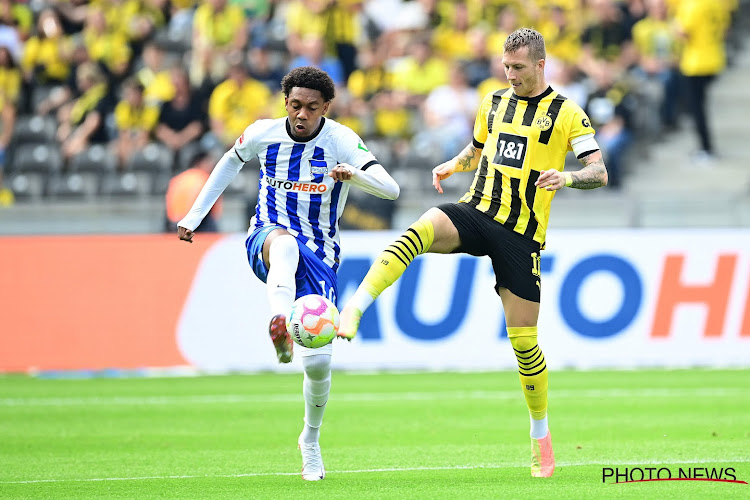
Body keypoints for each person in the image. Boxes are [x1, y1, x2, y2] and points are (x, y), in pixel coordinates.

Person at [338, 28, 608, 478]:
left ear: (541, 65)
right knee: (420, 228)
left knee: (524, 344)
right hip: (477, 211)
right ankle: (356, 307)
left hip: (521, 235)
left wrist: (567, 178)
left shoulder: (566, 113)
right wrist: (454, 163)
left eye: (518, 68)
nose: (510, 74)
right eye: (505, 67)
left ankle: (540, 435)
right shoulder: (492, 102)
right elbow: (479, 149)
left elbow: (598, 170)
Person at [176, 66, 400, 481]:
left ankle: (310, 440)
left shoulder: (342, 141)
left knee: (319, 364)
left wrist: (355, 175)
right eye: (295, 105)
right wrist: (195, 215)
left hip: (322, 255)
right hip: (268, 236)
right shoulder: (263, 133)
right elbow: (228, 164)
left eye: (311, 108)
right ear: (285, 102)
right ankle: (279, 320)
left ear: (326, 108)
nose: (301, 115)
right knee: (286, 245)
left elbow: (392, 190)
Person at [166, 151, 222, 233]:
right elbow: (214, 208)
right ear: (199, 163)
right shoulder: (206, 178)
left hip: (174, 222)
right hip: (197, 224)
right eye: (208, 162)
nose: (212, 166)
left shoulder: (177, 179)